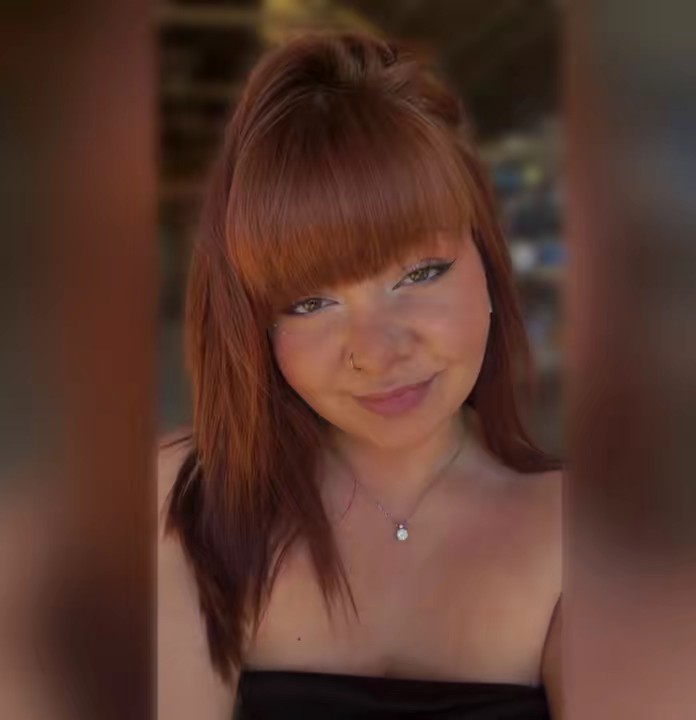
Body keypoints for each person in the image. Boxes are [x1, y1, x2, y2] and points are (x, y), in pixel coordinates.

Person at [158, 31, 562, 720]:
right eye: (309, 303)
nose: (375, 351)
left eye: (421, 273)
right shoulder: (189, 503)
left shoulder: (581, 530)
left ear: (489, 266)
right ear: (257, 329)